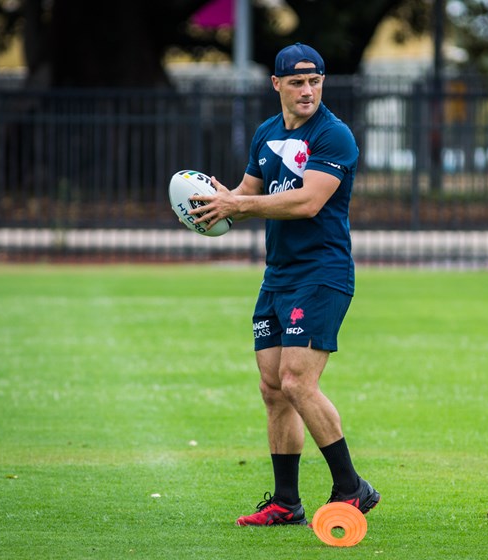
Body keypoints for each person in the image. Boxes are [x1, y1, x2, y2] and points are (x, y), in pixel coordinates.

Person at [188, 42, 379, 526]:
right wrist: (215, 202)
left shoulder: (334, 135)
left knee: (297, 380)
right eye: (297, 82)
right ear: (277, 84)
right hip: (278, 275)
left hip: (322, 273)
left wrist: (239, 205)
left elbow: (308, 202)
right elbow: (247, 194)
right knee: (273, 388)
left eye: (315, 81)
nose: (307, 90)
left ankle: (351, 487)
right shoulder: (266, 133)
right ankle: (286, 502)